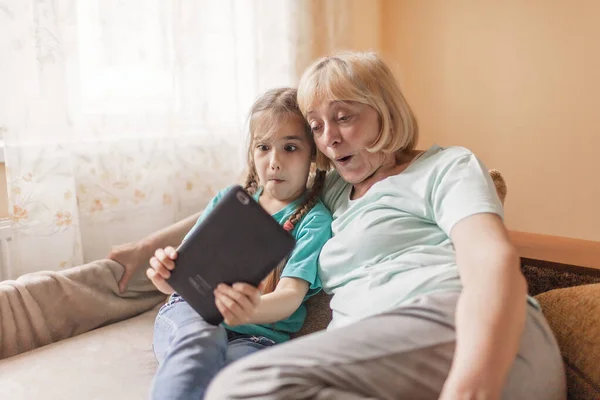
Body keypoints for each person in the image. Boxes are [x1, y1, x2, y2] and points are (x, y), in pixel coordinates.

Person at [203, 52, 567, 400]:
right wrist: (148, 252)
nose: (329, 139)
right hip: (378, 360)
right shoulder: (328, 190)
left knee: (240, 387)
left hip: (473, 333)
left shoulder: (446, 168)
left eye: (344, 117)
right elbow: (250, 199)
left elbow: (492, 263)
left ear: (385, 112)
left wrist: (471, 386)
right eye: (316, 126)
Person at [146, 87, 333, 399]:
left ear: (312, 154)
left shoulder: (314, 221)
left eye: (290, 148)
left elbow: (289, 296)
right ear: (252, 153)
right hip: (194, 313)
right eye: (264, 147)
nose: (274, 162)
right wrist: (164, 274)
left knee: (232, 384)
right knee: (202, 343)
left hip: (260, 338)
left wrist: (248, 310)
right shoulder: (228, 202)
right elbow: (181, 277)